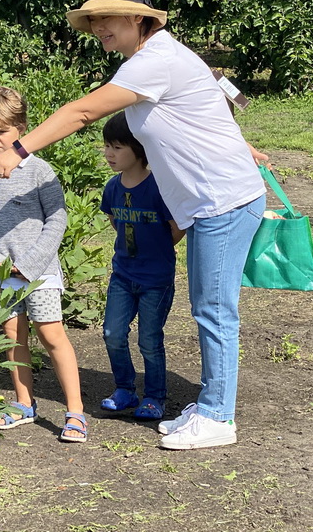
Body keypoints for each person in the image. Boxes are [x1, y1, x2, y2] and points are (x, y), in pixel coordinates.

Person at [0, 0, 267, 450]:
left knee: (214, 310)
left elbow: (81, 111)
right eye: (92, 21)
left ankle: (218, 415)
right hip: (211, 201)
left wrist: (17, 151)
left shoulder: (155, 60)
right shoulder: (153, 57)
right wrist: (241, 147)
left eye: (106, 18)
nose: (98, 29)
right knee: (207, 307)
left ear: (137, 17)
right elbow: (205, 108)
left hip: (223, 201)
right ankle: (212, 401)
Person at [0, 86, 88, 444]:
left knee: (51, 336)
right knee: (12, 336)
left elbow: (57, 219)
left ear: (20, 128)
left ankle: (75, 410)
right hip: (2, 275)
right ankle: (23, 404)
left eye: (1, 131)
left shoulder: (39, 171)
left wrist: (30, 264)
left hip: (41, 273)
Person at [99, 111, 184, 422]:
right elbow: (115, 221)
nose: (109, 153)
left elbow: (177, 227)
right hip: (122, 275)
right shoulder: (112, 188)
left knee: (149, 338)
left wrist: (157, 251)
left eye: (118, 147)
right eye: (107, 146)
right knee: (112, 332)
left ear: (140, 149)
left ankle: (154, 396)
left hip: (155, 280)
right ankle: (125, 388)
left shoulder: (160, 187)